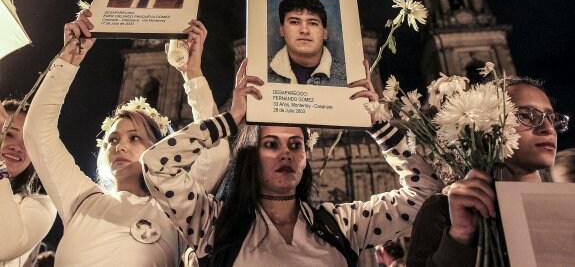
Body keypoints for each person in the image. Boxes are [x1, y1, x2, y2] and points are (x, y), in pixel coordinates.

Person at [142, 59, 443, 266]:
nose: (286, 153)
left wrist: (379, 125)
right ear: (250, 156)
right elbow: (157, 164)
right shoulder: (213, 224)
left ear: (305, 158)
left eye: (295, 145)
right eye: (271, 144)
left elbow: (425, 191)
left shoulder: (342, 226)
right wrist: (231, 120)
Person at [22, 10, 229, 266]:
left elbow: (216, 153)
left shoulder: (175, 209)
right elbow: (37, 133)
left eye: (135, 138)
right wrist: (69, 59)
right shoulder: (82, 199)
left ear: (159, 149)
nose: (119, 146)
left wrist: (191, 73)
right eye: (112, 140)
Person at [406, 76, 570, 267]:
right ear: (483, 125)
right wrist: (459, 236)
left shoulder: (566, 206)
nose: (548, 128)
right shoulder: (446, 210)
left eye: (552, 118)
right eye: (525, 115)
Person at [1, 100, 57, 267]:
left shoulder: (41, 205)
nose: (17, 147)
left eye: (28, 141)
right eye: (9, 134)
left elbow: (5, 244)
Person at [268, 0, 346, 86]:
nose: (304, 30)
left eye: (313, 23)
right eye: (294, 22)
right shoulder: (259, 71)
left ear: (325, 33)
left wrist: (366, 100)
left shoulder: (349, 76)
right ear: (282, 30)